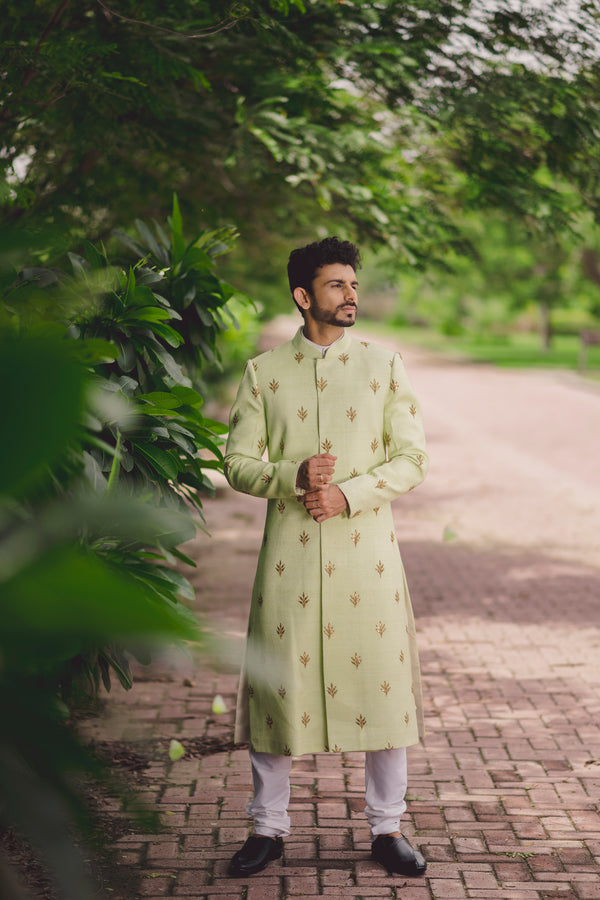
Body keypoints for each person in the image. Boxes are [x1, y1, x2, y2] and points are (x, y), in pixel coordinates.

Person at [224, 236, 429, 878]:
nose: (351, 295)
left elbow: (412, 459)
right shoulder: (264, 373)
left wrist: (347, 494)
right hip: (289, 556)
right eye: (337, 285)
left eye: (354, 284)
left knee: (384, 687)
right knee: (277, 688)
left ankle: (387, 827)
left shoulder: (384, 365)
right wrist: (292, 477)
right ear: (303, 296)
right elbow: (236, 463)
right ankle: (268, 829)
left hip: (367, 554)